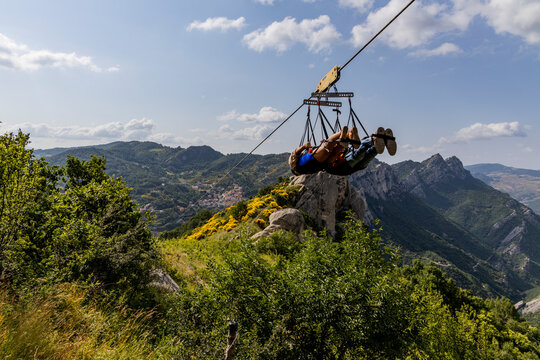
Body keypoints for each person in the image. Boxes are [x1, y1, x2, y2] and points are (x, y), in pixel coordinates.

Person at [289, 126, 396, 176]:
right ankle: (347, 135)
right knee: (329, 146)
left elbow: (295, 154)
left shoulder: (300, 168)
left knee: (363, 154)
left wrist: (304, 147)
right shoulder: (297, 165)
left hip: (349, 166)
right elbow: (295, 153)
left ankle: (373, 142)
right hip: (322, 161)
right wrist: (304, 147)